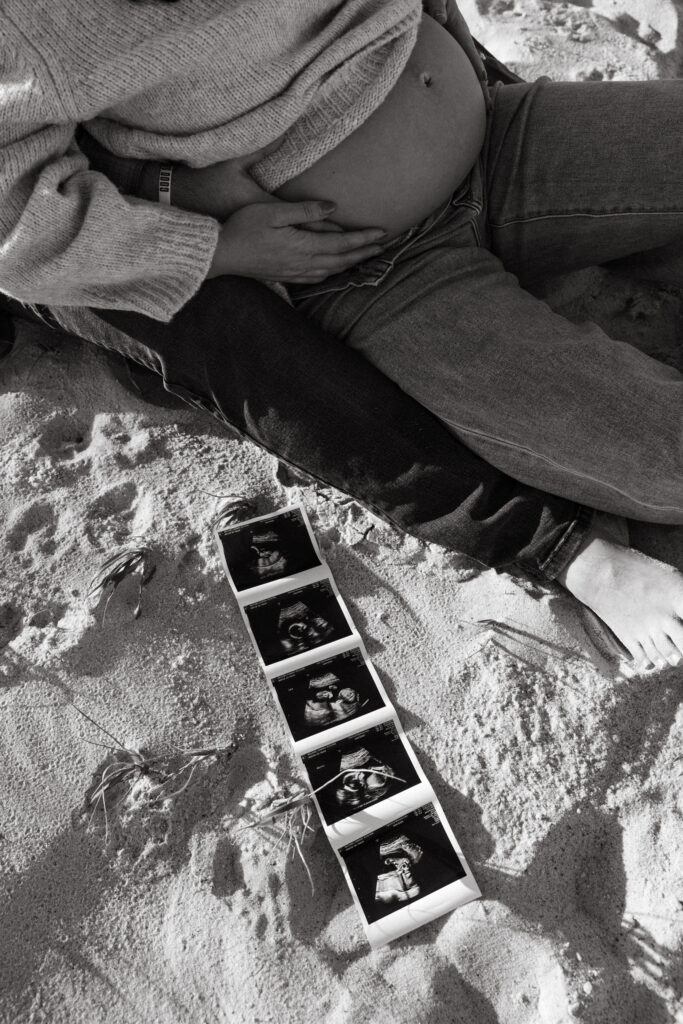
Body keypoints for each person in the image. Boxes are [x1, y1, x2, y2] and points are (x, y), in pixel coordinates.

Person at [1, 0, 682, 671]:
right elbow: (17, 220)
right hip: (373, 270)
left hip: (505, 137)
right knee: (663, 460)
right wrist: (210, 248)